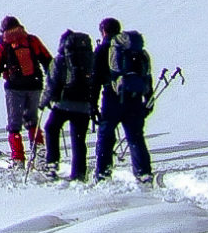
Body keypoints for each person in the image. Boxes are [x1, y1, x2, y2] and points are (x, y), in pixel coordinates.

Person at [0, 15, 52, 167]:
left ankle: (18, 158)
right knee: (32, 120)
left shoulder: (4, 43)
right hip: (34, 85)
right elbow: (47, 60)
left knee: (14, 124)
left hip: (14, 88)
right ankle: (39, 154)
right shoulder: (31, 40)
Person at [93, 17, 154, 182]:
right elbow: (147, 76)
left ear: (103, 31)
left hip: (112, 99)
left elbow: (95, 79)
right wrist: (148, 100)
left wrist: (92, 105)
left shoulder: (103, 49)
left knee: (106, 136)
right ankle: (143, 173)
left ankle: (103, 174)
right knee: (135, 137)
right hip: (134, 98)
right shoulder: (134, 49)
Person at [43, 28, 98, 181]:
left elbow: (52, 83)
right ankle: (79, 172)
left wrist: (44, 102)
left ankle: (52, 163)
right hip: (84, 105)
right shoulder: (90, 58)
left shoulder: (60, 59)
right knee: (78, 139)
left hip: (63, 104)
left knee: (51, 128)